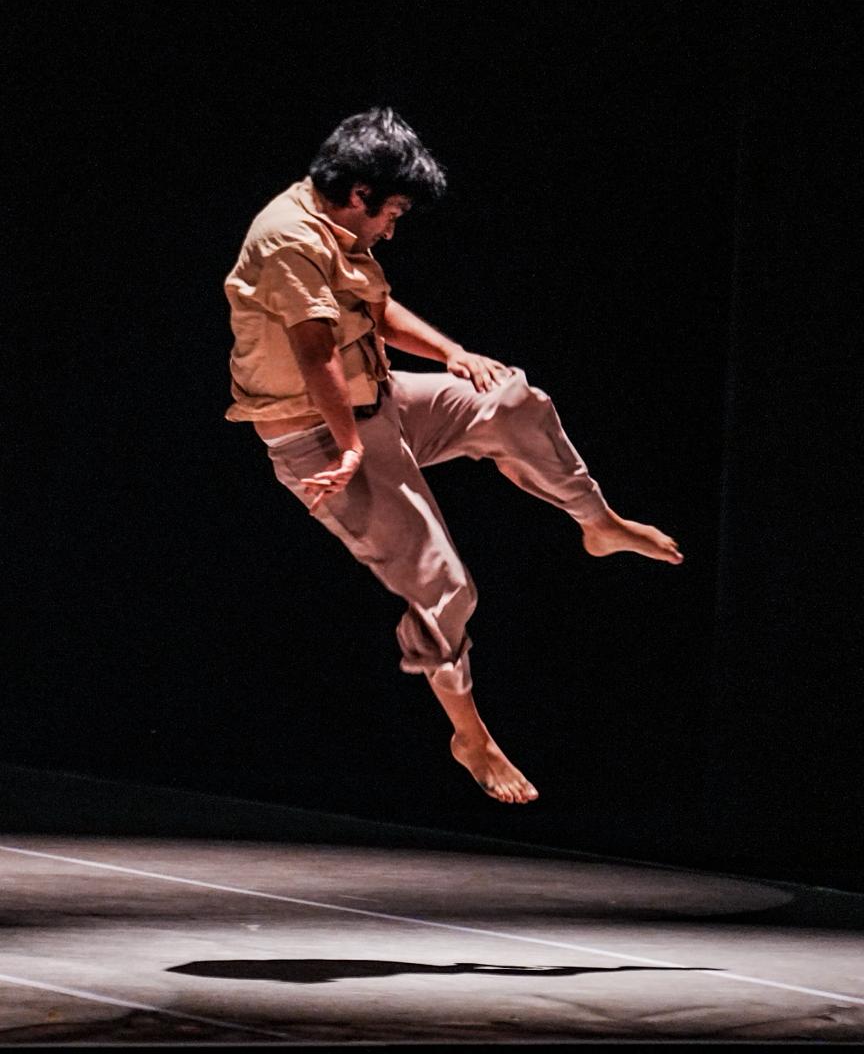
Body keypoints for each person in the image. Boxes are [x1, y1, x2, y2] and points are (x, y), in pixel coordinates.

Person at [224, 108, 683, 805]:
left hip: (377, 400)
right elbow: (316, 356)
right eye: (392, 214)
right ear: (359, 193)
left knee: (511, 399)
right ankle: (470, 736)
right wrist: (349, 448)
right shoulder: (288, 239)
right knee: (446, 588)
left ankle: (598, 522)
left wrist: (452, 353)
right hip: (318, 438)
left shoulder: (332, 220)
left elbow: (372, 310)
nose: (391, 229)